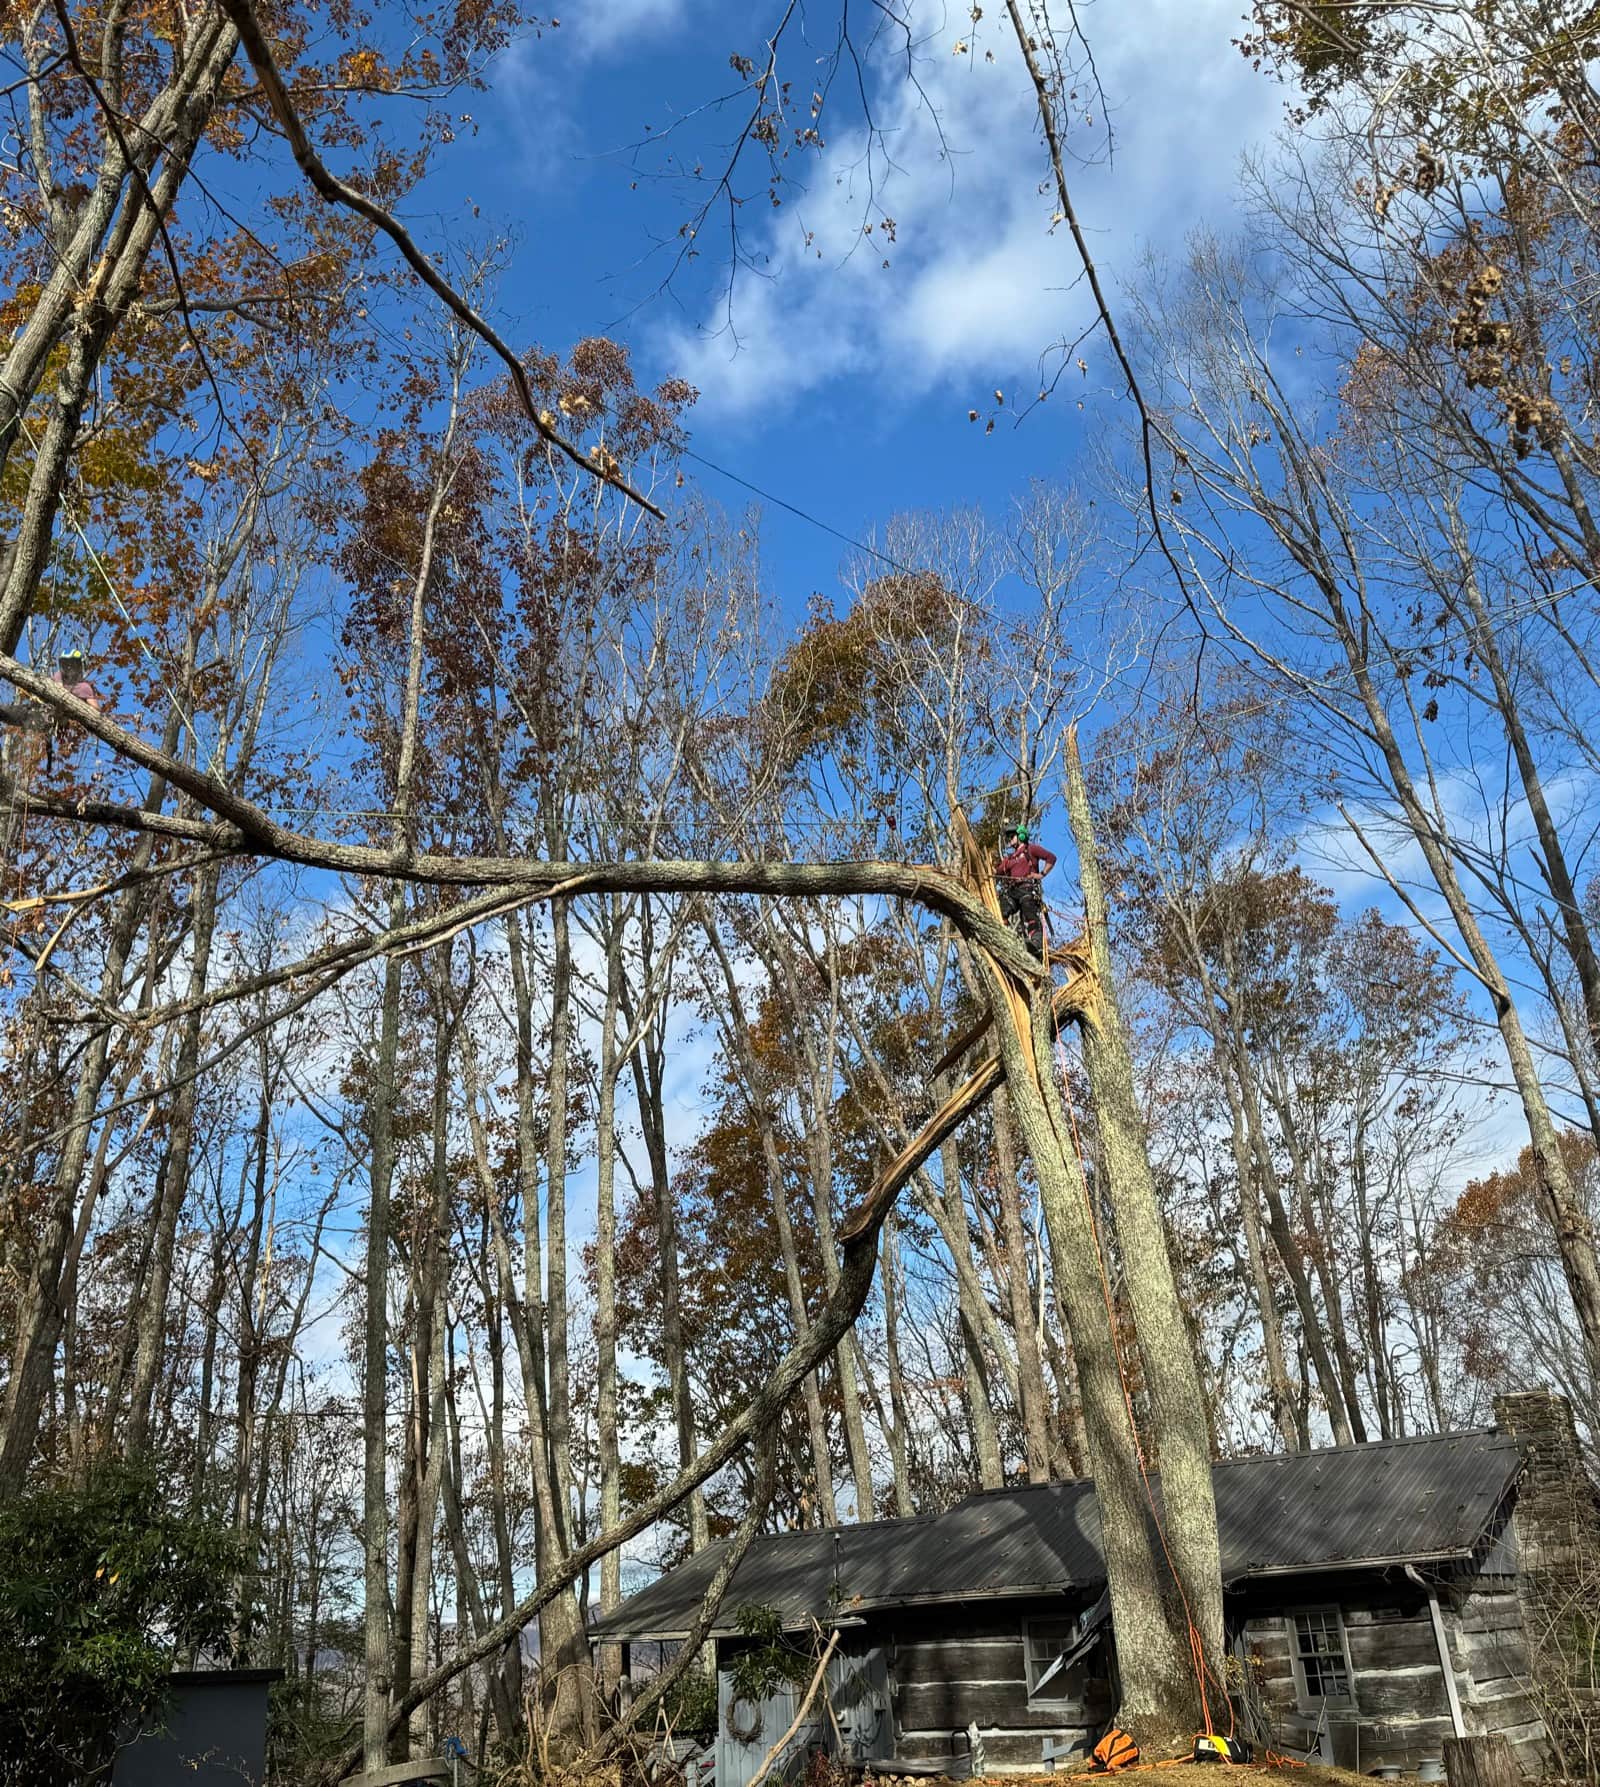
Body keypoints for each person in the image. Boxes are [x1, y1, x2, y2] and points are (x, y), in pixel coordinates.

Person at [996, 822, 1056, 958]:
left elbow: (1051, 858)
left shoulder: (1031, 850)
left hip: (1027, 889)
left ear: (1020, 836)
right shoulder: (1009, 859)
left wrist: (1041, 874)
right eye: (1009, 837)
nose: (1010, 840)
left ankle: (1036, 944)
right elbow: (996, 873)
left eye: (1012, 837)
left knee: (1029, 912)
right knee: (1002, 909)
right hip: (1013, 891)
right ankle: (1003, 935)